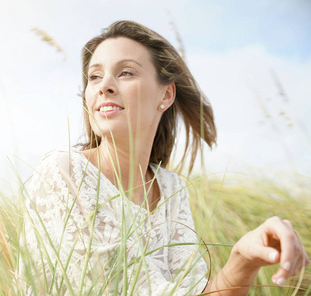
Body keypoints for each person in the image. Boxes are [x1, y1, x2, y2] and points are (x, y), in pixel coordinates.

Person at [21, 20, 309, 295]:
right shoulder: (63, 173)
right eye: (94, 76)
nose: (103, 85)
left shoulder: (171, 189)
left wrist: (243, 260)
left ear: (166, 95)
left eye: (125, 73)